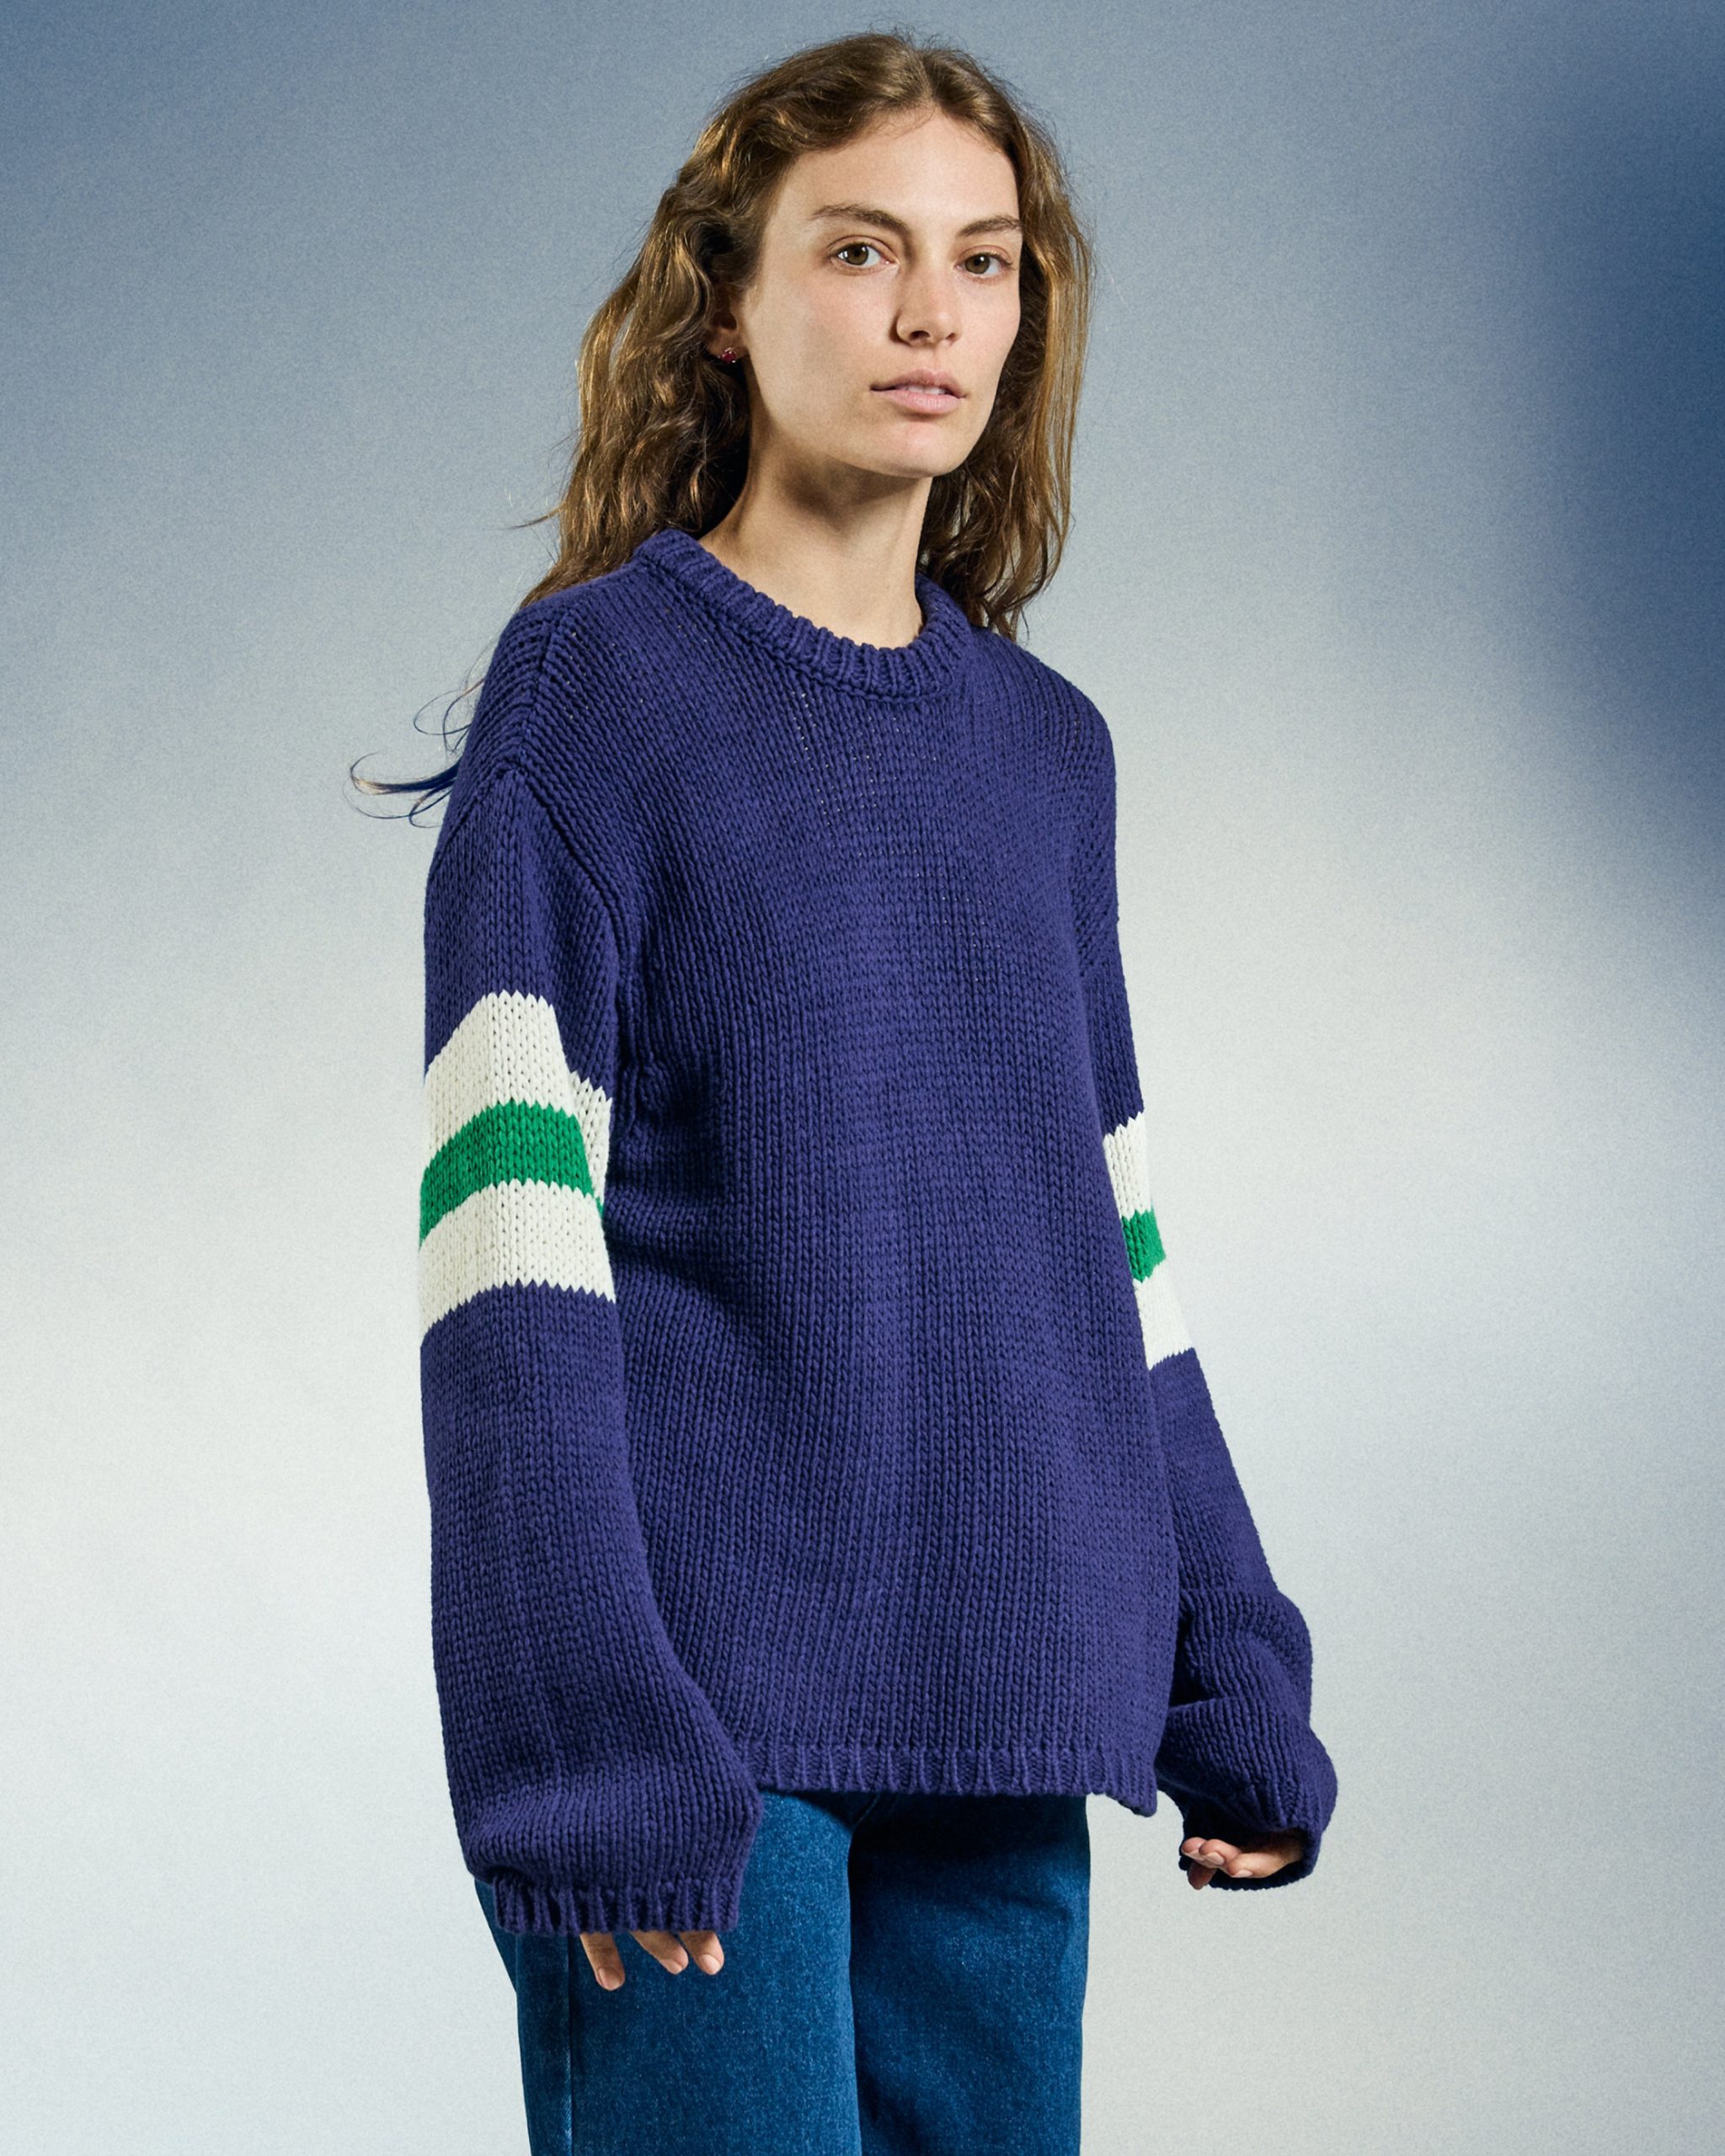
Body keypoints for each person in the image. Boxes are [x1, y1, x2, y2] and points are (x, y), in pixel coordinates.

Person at [361, 29, 1337, 2156]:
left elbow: (1108, 1244)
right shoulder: (597, 692)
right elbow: (504, 1266)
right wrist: (581, 1743)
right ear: (725, 299)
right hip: (704, 1739)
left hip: (1014, 1708)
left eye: (982, 261)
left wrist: (1228, 1652)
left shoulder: (1048, 753)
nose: (929, 315)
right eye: (862, 249)